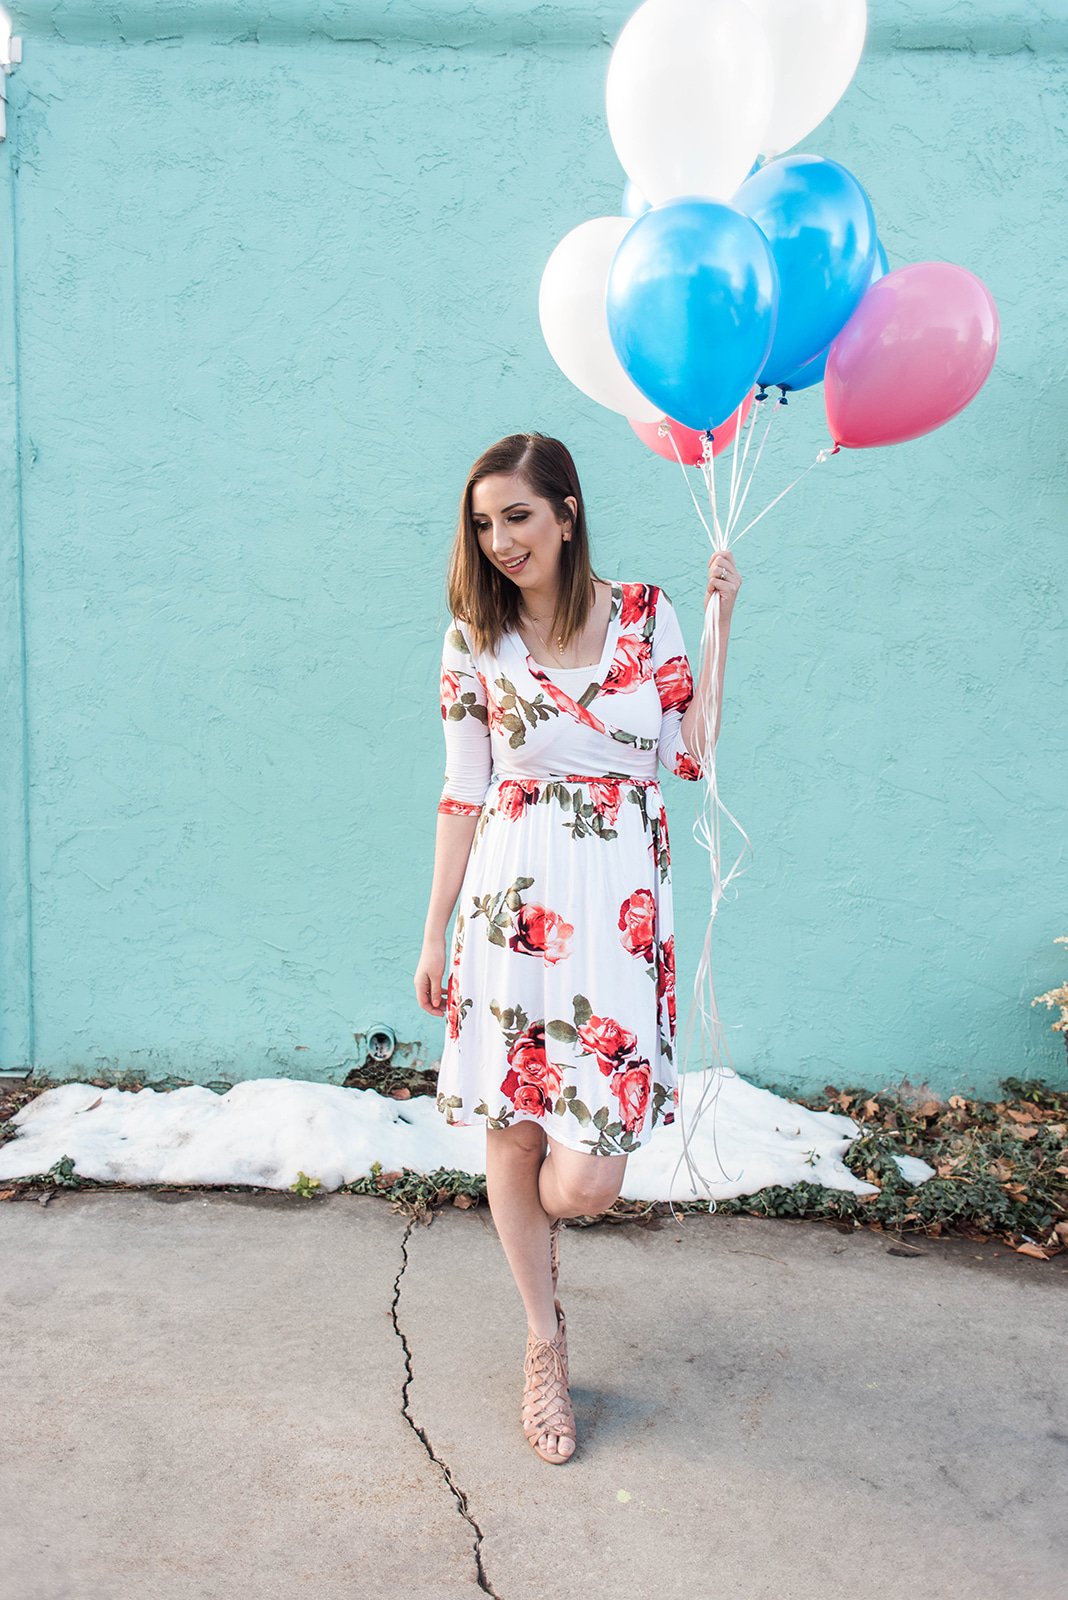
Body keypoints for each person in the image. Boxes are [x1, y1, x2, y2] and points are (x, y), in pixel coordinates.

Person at [414, 432, 739, 1465]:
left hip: (618, 918)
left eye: (517, 515)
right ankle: (542, 1342)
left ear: (567, 511)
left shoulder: (645, 614)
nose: (501, 541)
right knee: (513, 1130)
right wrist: (434, 932)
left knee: (590, 1181)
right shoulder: (475, 636)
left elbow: (690, 754)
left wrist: (723, 623)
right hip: (511, 912)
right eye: (483, 524)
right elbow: (463, 789)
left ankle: (545, 1236)